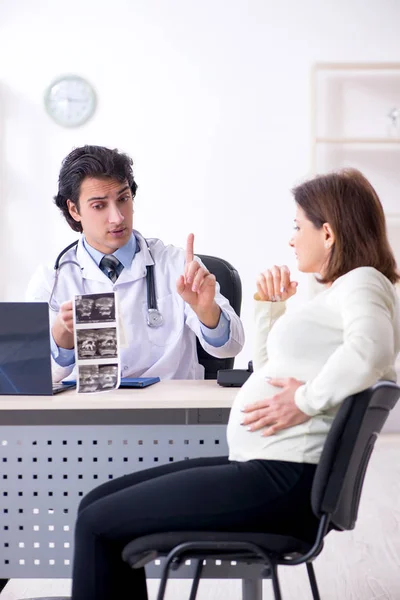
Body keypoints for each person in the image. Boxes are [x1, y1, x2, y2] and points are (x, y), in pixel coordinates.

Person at [70, 168, 400, 600]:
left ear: (329, 234)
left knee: (98, 522)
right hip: (267, 468)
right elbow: (267, 368)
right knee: (96, 504)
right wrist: (269, 309)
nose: (291, 238)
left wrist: (304, 400)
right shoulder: (335, 294)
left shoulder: (363, 281)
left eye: (298, 226)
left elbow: (372, 352)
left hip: (282, 480)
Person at [26, 145, 244, 382]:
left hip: (169, 412)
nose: (117, 217)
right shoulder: (52, 279)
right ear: (73, 209)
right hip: (88, 414)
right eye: (99, 206)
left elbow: (230, 348)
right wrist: (61, 342)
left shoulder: (176, 264)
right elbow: (31, 374)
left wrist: (207, 312)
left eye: (123, 199)